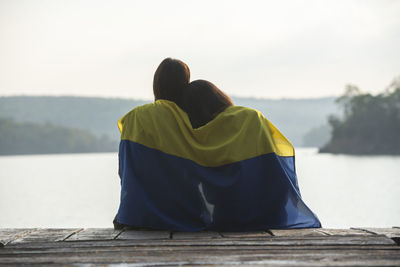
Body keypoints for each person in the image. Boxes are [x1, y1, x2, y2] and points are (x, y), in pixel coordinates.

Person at [115, 60, 321, 231]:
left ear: (156, 84)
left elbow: (126, 170)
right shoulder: (250, 119)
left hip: (143, 217)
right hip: (262, 214)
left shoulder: (140, 119)